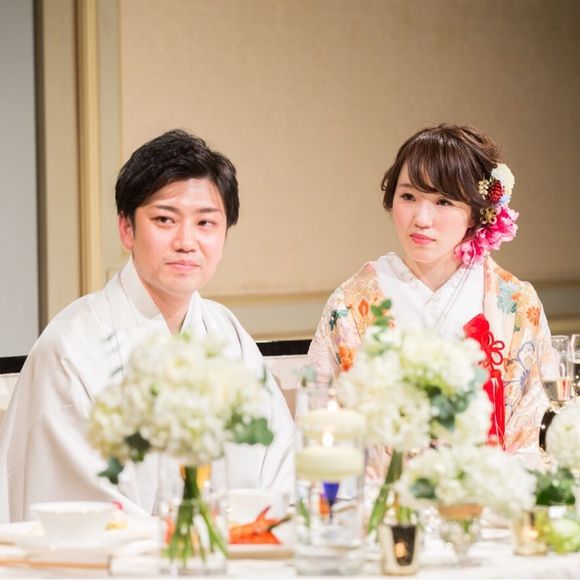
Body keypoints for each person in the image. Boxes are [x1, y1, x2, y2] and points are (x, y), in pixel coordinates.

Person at [0, 130, 295, 522]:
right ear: (127, 228)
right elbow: (75, 504)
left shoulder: (228, 333)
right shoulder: (71, 346)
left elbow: (281, 468)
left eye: (206, 222)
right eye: (164, 219)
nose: (186, 241)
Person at [307, 124, 550, 459]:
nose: (422, 219)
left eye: (444, 201)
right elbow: (320, 417)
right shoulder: (351, 304)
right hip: (381, 488)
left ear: (476, 213)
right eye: (408, 197)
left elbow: (535, 425)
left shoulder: (516, 304)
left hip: (489, 483)